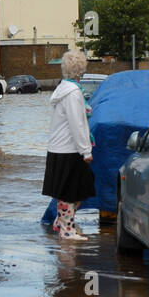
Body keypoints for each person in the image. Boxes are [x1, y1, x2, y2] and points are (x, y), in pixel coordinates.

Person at [42, 50, 94, 241]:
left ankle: (61, 222)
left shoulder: (65, 89)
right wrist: (85, 150)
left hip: (60, 148)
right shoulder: (73, 93)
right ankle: (66, 229)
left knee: (78, 188)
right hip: (69, 149)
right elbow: (77, 123)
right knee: (70, 192)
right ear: (81, 69)